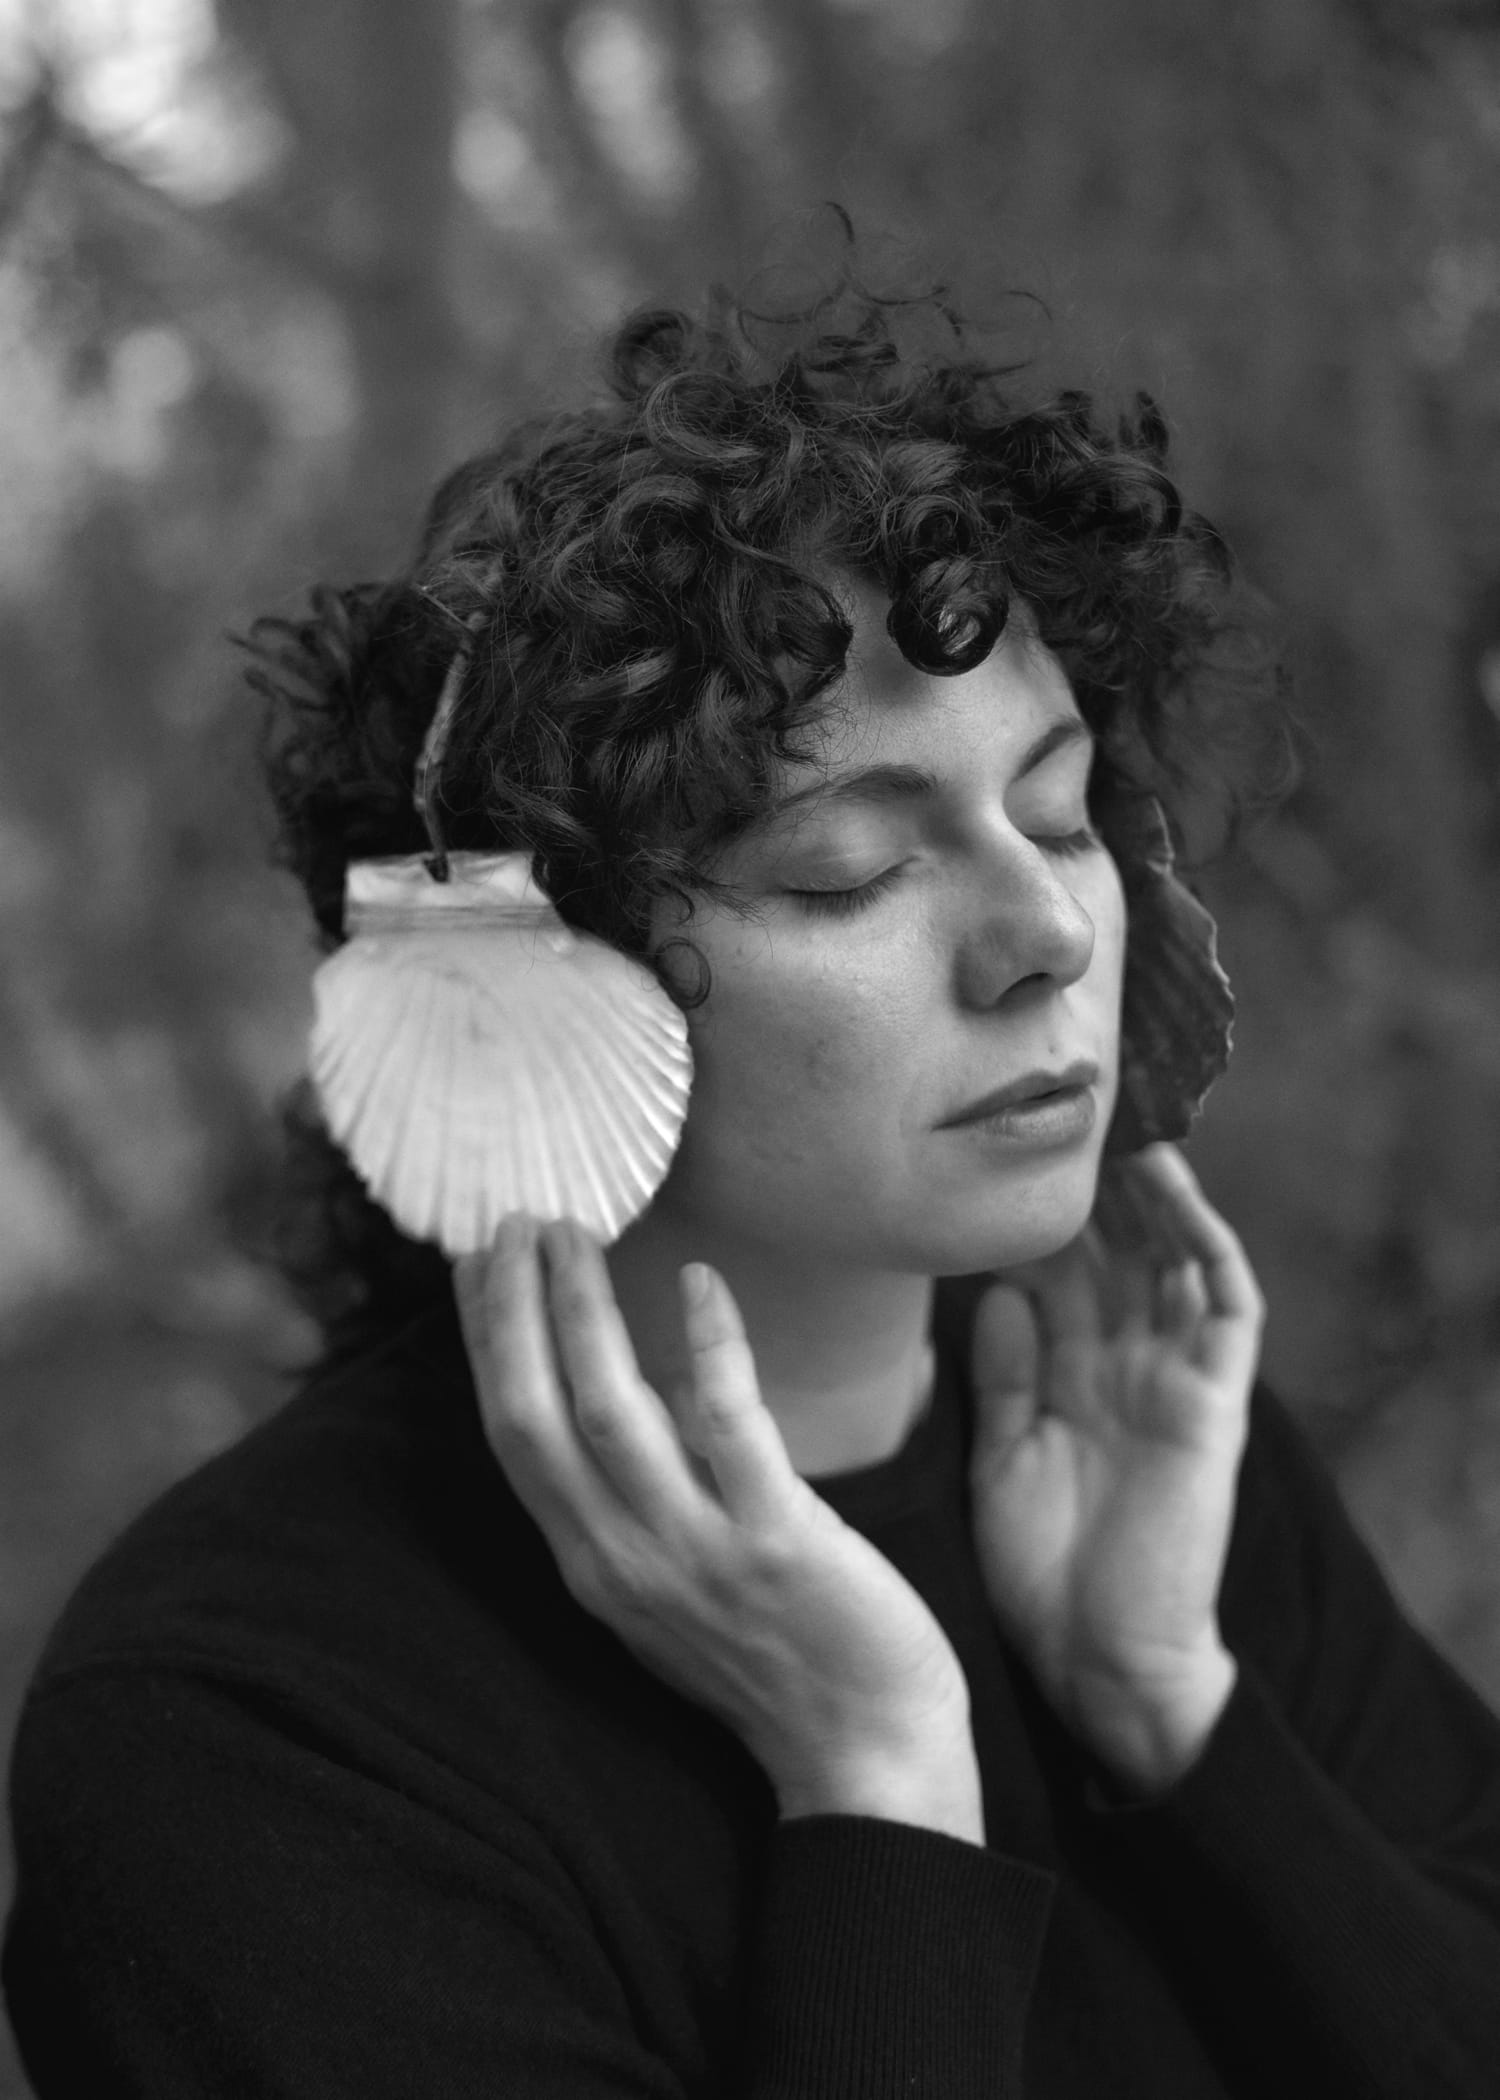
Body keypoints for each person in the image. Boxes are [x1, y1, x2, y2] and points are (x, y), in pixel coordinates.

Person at [6, 272, 1500, 2100]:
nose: (1044, 932)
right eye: (848, 874)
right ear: (519, 985)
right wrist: (880, 1785)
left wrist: (1174, 1708)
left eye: (1056, 812)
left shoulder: (1132, 1444)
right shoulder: (252, 1735)